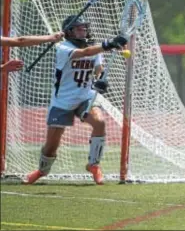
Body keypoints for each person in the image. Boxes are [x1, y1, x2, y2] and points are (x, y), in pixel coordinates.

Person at [24, 15, 127, 185]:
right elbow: (84, 53)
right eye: (79, 28)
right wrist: (107, 44)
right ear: (69, 32)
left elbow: (98, 70)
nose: (83, 31)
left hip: (85, 97)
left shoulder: (95, 49)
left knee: (99, 122)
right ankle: (42, 170)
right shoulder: (63, 48)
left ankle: (93, 165)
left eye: (84, 27)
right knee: (51, 146)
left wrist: (101, 79)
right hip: (62, 101)